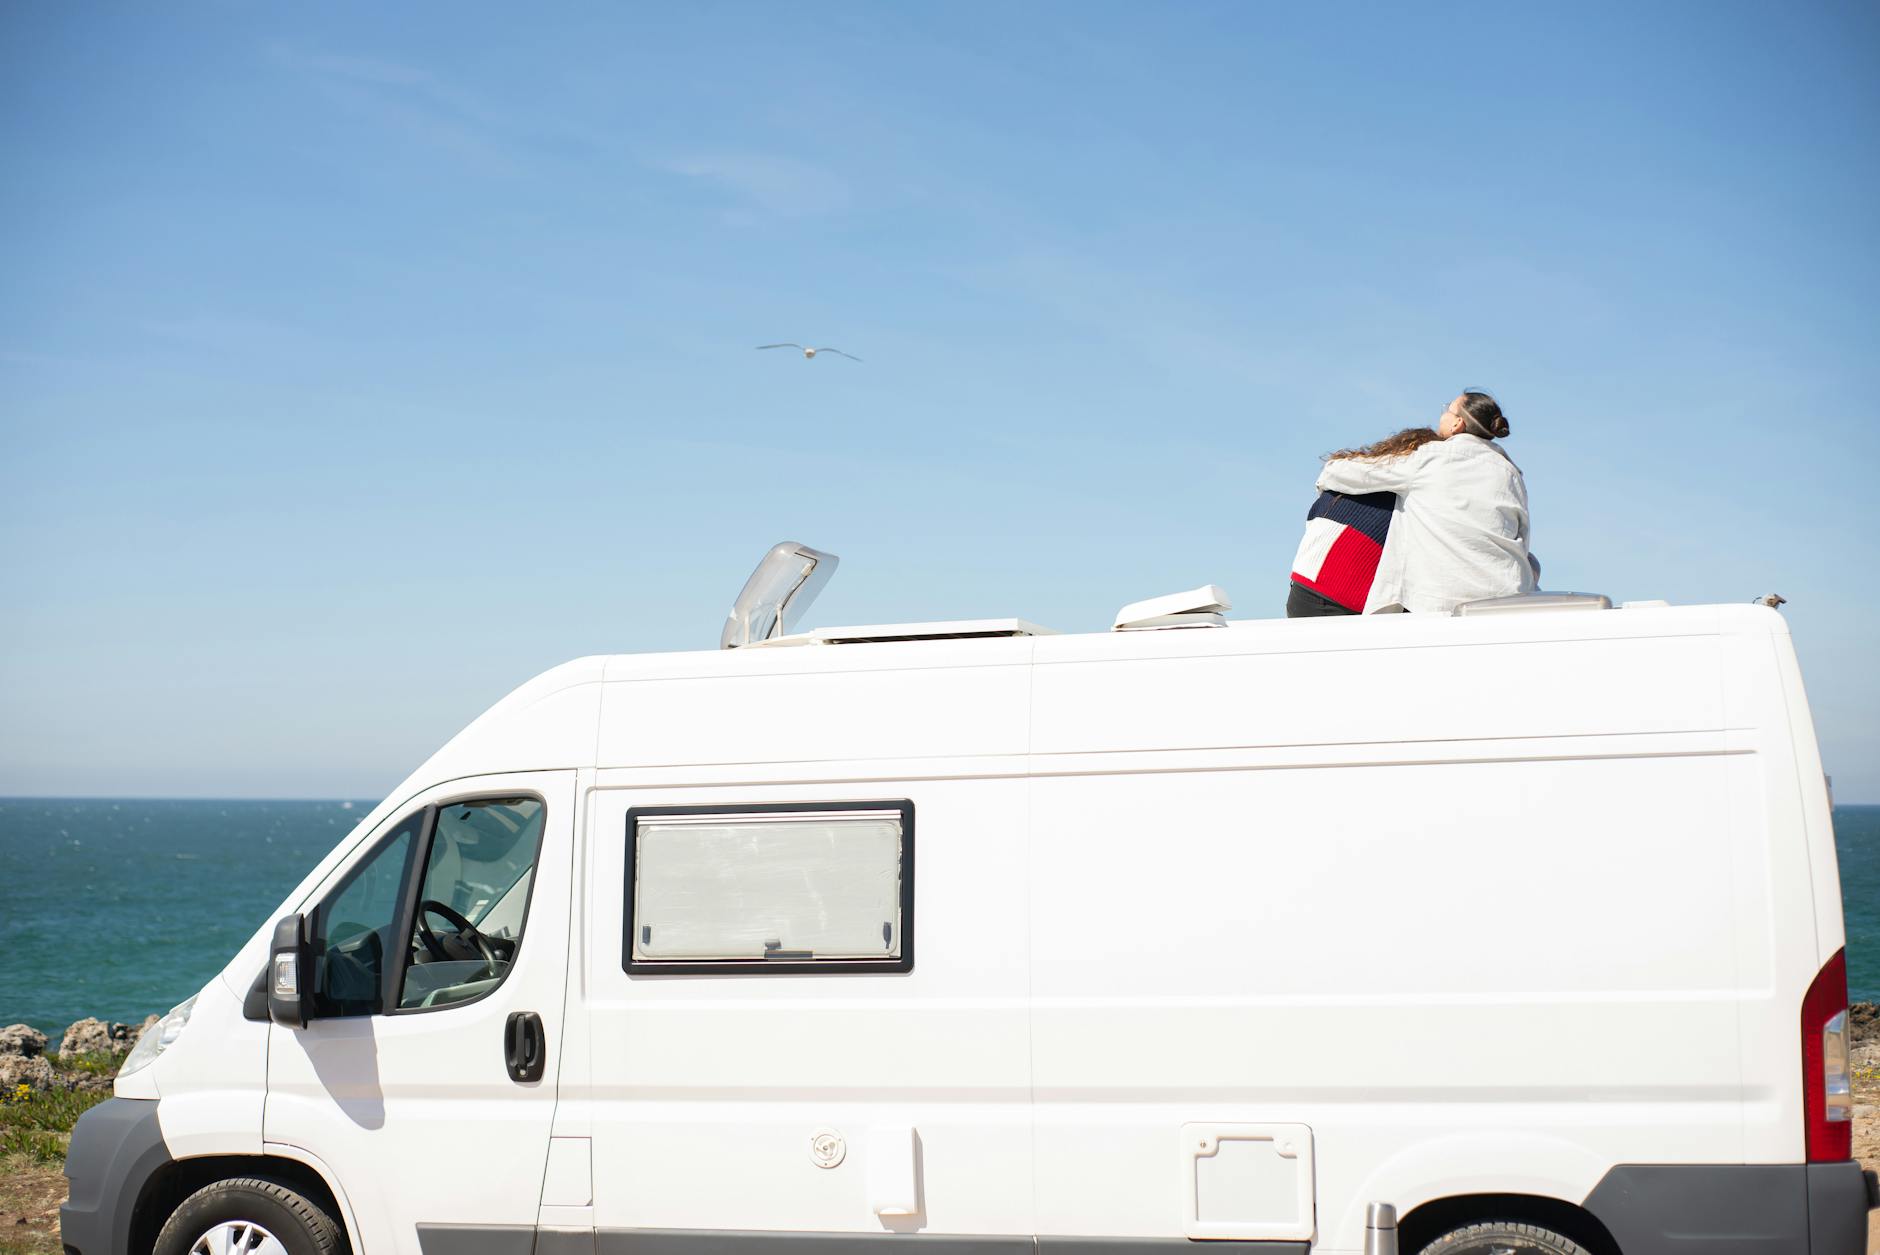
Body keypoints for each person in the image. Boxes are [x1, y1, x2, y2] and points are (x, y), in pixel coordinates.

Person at [1307, 391, 1536, 615]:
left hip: (1441, 602)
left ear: (1457, 423)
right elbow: (1522, 539)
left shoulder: (1432, 457)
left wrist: (1328, 475)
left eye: (1447, 409)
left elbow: (1355, 473)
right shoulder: (1511, 473)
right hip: (1507, 600)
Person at [1286, 427, 1440, 617]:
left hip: (1301, 589)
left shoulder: (1346, 480)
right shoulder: (1404, 499)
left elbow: (1312, 522)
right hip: (1347, 598)